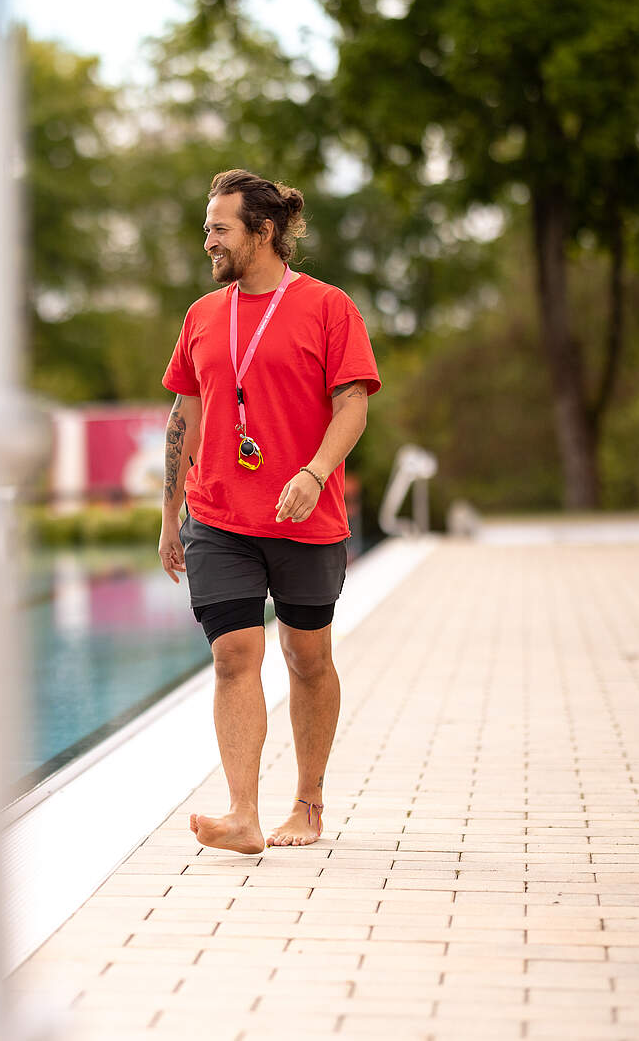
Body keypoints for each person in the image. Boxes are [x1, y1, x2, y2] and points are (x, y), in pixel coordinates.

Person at [159, 169, 380, 852]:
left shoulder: (327, 306)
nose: (208, 242)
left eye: (219, 228)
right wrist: (169, 517)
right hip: (218, 516)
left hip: (302, 515)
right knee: (234, 654)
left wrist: (316, 471)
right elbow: (183, 416)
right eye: (206, 228)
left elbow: (354, 402)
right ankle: (242, 813)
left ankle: (307, 803)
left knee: (306, 656)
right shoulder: (202, 314)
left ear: (264, 230)